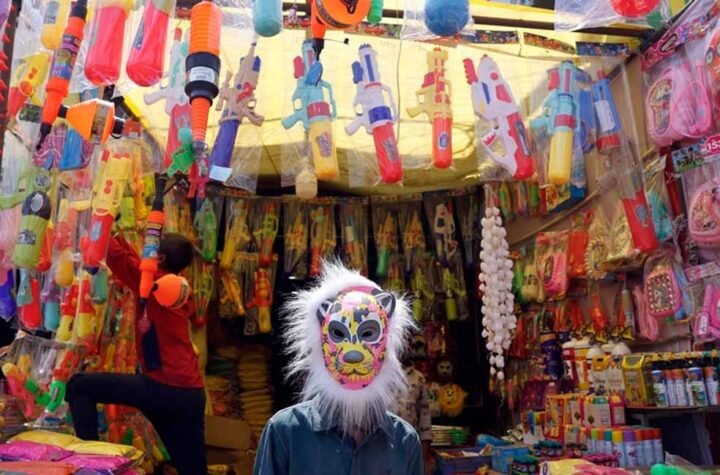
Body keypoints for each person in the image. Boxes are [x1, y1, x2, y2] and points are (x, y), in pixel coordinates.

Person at [254, 262, 422, 475]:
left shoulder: (405, 442)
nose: (353, 352)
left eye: (368, 334)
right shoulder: (285, 433)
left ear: (387, 345)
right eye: (338, 334)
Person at [66, 233, 207, 475]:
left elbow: (117, 257)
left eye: (151, 249)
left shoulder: (154, 284)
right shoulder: (176, 285)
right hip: (190, 393)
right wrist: (118, 234)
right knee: (193, 469)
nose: (146, 252)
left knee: (79, 386)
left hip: (162, 388)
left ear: (160, 258)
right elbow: (135, 262)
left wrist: (101, 222)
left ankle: (92, 464)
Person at [392, 355, 434, 472]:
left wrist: (423, 457)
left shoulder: (418, 378)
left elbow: (424, 418)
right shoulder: (380, 374)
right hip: (382, 444)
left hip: (409, 445)